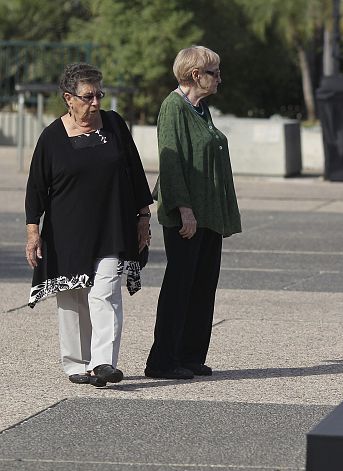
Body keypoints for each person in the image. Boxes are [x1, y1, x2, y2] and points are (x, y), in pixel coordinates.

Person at [25, 63, 153, 387]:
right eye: (87, 96)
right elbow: (36, 189)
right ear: (68, 98)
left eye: (99, 94)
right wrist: (33, 232)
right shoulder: (52, 138)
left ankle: (102, 363)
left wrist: (143, 218)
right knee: (73, 298)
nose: (95, 102)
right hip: (68, 233)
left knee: (105, 291)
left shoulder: (114, 125)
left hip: (112, 226)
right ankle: (76, 364)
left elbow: (135, 172)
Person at [145, 46, 241, 379]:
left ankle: (189, 355)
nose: (219, 78)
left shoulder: (200, 109)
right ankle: (162, 361)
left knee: (203, 286)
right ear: (195, 75)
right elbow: (171, 162)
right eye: (214, 72)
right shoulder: (174, 107)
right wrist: (184, 209)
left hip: (209, 214)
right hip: (188, 216)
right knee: (180, 286)